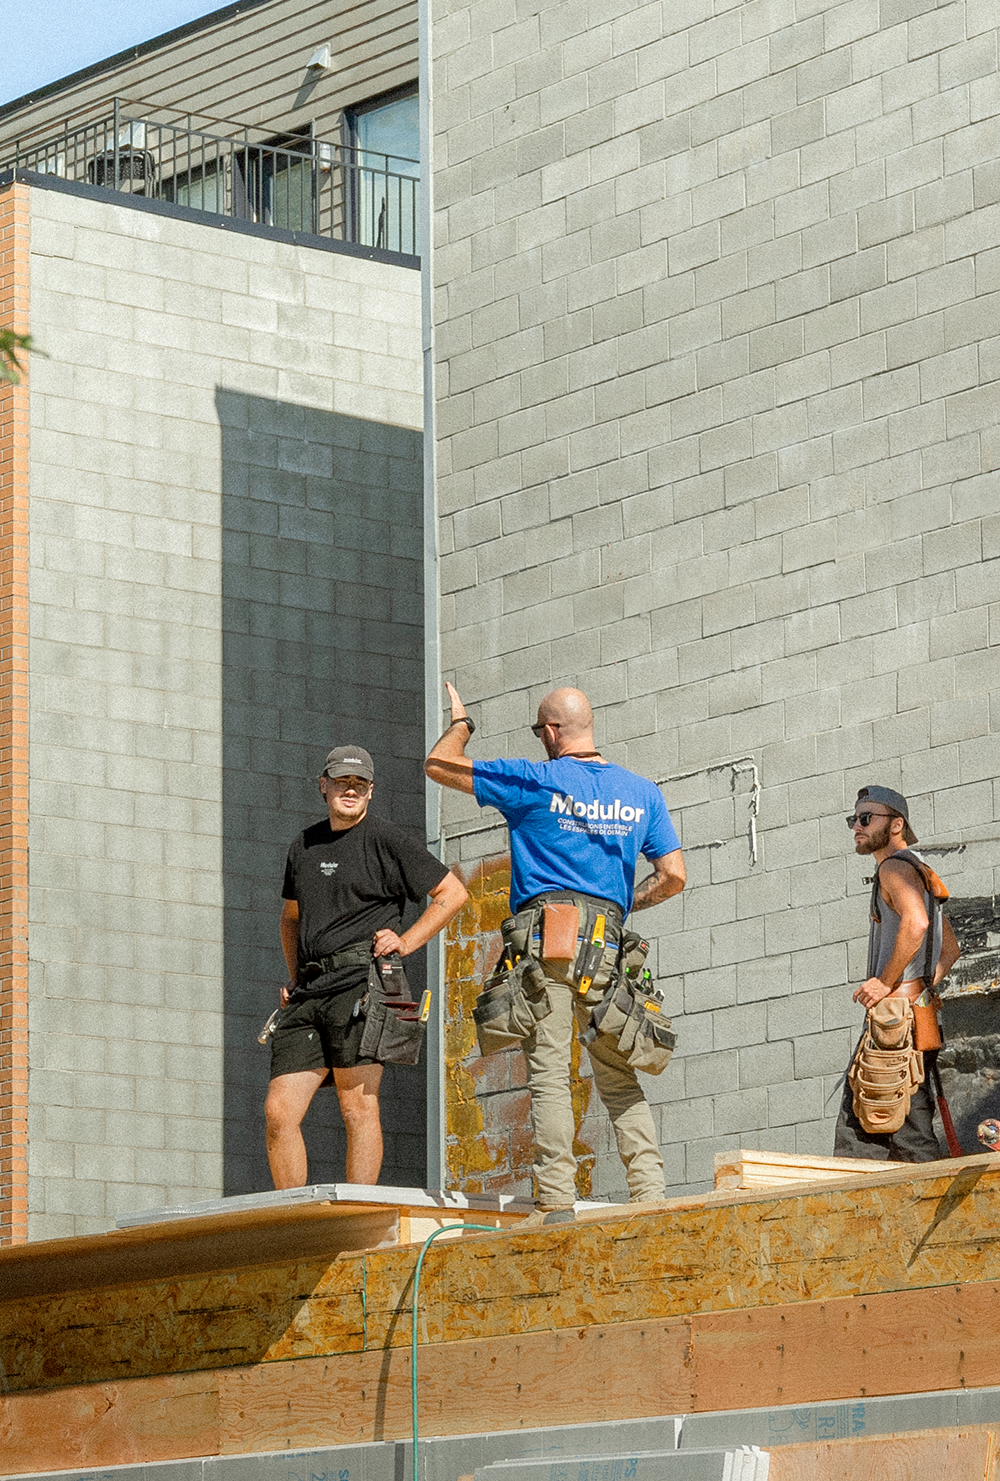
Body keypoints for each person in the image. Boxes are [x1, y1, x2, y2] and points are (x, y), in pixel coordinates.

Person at [425, 683, 686, 1226]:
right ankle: (651, 1197)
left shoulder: (534, 781)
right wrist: (621, 906)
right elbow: (674, 876)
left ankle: (557, 1205)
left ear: (550, 731)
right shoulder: (642, 792)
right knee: (617, 1075)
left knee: (549, 1072)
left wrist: (462, 724)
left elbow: (439, 764)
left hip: (551, 944)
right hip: (608, 950)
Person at [265, 745, 468, 1189]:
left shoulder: (386, 839)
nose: (350, 791)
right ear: (324, 786)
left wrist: (407, 941)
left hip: (364, 985)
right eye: (342, 782)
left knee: (357, 1106)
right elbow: (290, 917)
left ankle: (360, 1212)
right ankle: (292, 1214)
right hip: (310, 991)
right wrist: (297, 975)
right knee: (279, 1113)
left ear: (371, 792)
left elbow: (453, 894)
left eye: (359, 784)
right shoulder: (304, 845)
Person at [833, 785, 960, 1162]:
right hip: (915, 1019)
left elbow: (917, 923)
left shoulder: (894, 868)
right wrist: (919, 989)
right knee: (905, 1129)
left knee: (862, 1134)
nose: (857, 825)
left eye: (866, 818)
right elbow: (950, 949)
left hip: (894, 1027)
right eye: (853, 819)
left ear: (896, 824)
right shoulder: (919, 870)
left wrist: (887, 984)